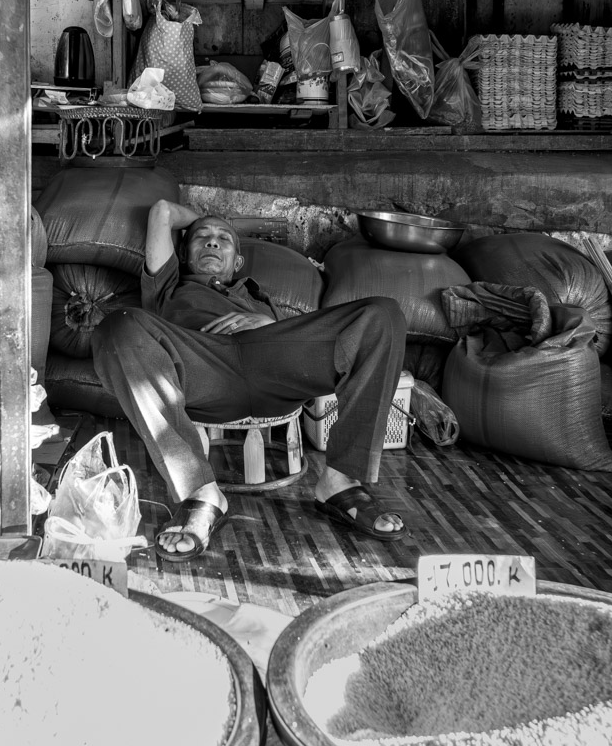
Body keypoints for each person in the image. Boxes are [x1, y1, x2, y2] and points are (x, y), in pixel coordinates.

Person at [91, 199, 408, 562]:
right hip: (203, 364)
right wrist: (216, 220)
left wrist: (272, 326)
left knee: (383, 315)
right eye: (202, 238)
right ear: (182, 253)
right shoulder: (168, 285)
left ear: (237, 262)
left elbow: (303, 341)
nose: (212, 242)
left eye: (223, 240)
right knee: (117, 328)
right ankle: (200, 492)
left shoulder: (259, 298)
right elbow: (161, 210)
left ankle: (341, 481)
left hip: (275, 362)